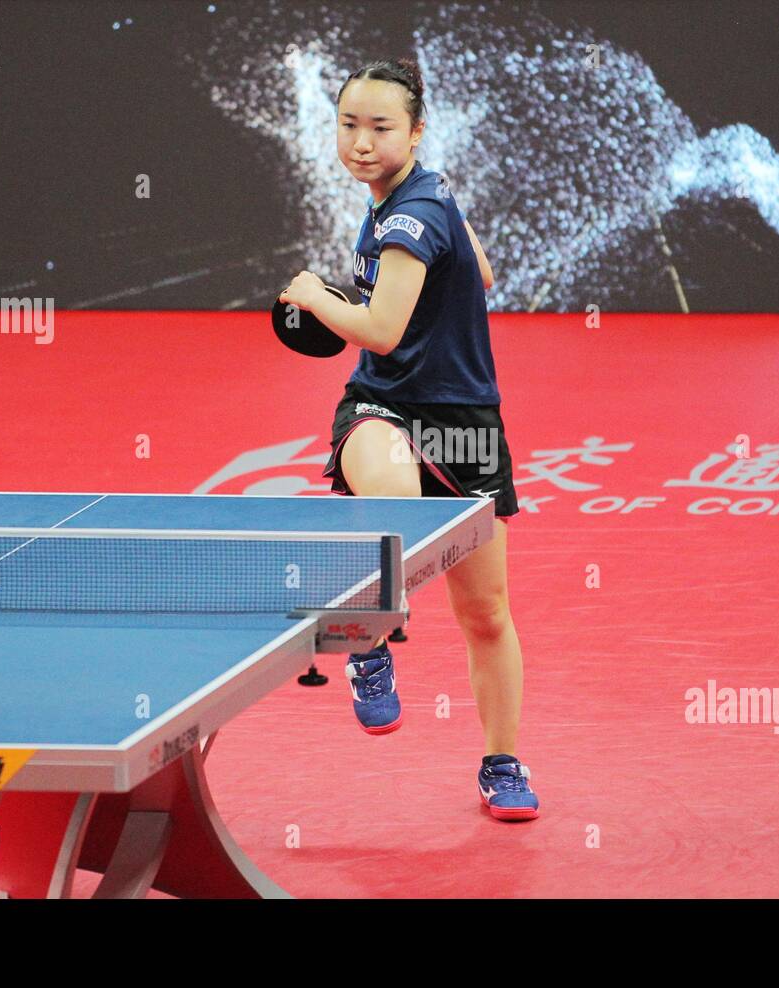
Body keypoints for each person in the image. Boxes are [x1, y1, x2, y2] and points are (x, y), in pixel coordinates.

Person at [278, 57, 538, 821]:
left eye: (381, 127)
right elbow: (481, 275)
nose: (361, 141)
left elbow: (384, 330)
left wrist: (313, 297)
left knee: (486, 612)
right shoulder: (426, 193)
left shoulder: (408, 217)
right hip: (381, 406)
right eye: (349, 125)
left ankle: (502, 762)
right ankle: (370, 637)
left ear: (416, 131)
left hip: (465, 423)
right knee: (390, 492)